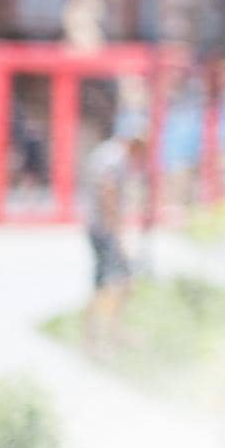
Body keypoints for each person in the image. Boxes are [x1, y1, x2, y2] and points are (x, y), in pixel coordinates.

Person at [81, 121, 149, 354]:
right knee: (117, 281)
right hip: (103, 228)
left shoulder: (107, 153)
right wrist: (116, 230)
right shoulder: (115, 157)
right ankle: (107, 334)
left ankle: (97, 335)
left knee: (104, 282)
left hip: (97, 226)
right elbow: (107, 189)